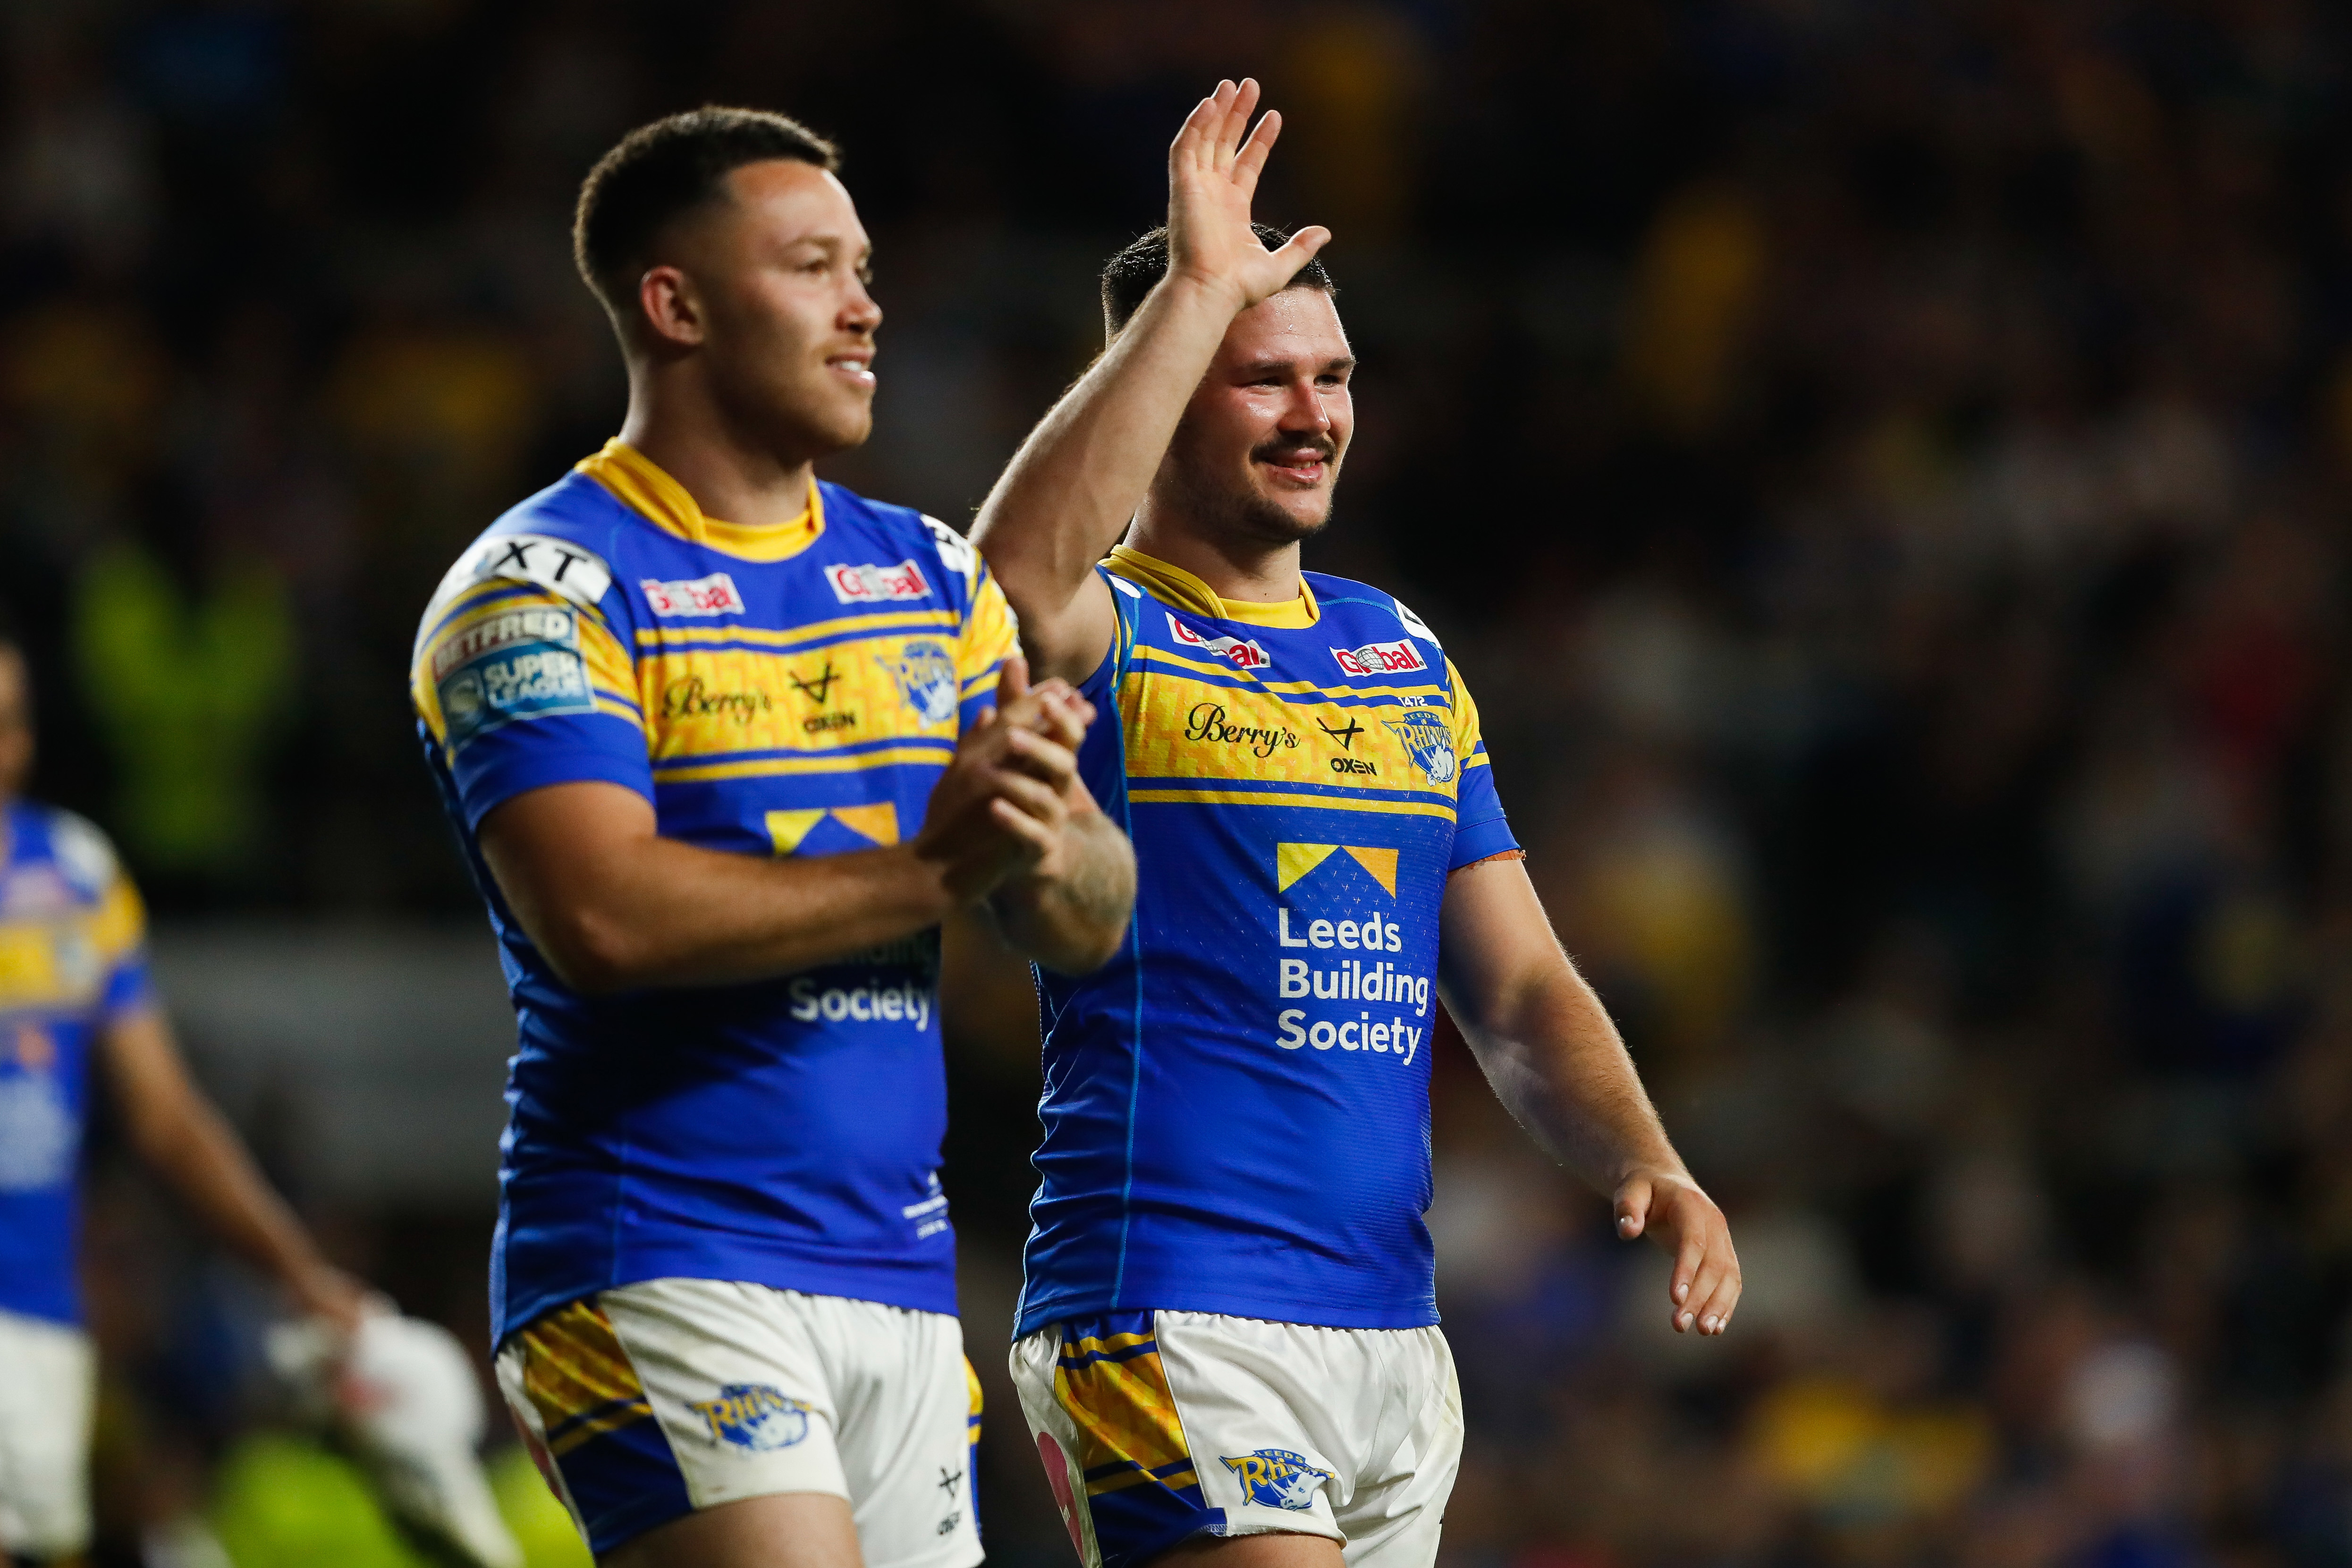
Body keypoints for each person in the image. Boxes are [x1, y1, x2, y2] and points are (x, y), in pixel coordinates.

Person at [968, 80, 1743, 1568]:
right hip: (1166, 1310)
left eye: (1332, 377)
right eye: (1261, 378)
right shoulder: (1110, 628)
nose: (1313, 415)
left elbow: (1514, 984)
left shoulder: (1399, 648)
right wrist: (1193, 293)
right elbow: (1004, 586)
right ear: (1162, 387)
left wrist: (1644, 1157)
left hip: (1390, 1341)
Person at [409, 108, 1134, 1568]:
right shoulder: (539, 588)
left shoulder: (928, 575)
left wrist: (1041, 836)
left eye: (861, 269)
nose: (864, 307)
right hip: (653, 1254)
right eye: (811, 268)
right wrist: (932, 871)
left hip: (898, 1275)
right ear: (674, 306)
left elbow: (1090, 916)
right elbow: (602, 919)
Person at [0, 616, 369, 1568]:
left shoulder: (72, 878)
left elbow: (166, 1117)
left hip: (38, 1324)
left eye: (12, 723)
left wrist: (296, 1269)